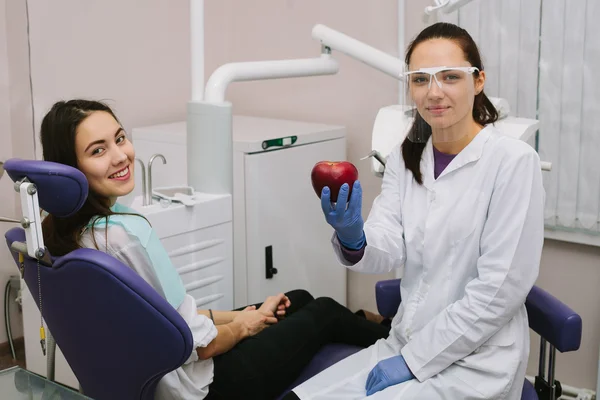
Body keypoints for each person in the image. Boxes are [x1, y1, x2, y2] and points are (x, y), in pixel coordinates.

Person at [38, 99, 391, 400]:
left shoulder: (64, 230)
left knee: (296, 298)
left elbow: (169, 317)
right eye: (98, 150)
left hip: (164, 364)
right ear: (70, 168)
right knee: (326, 310)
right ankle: (402, 341)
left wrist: (243, 316)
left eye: (119, 139)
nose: (120, 156)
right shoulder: (121, 236)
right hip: (203, 388)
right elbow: (198, 345)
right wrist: (246, 326)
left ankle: (371, 328)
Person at [286, 22, 545, 400]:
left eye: (450, 77)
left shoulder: (513, 163)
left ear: (478, 81)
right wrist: (354, 236)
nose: (434, 92)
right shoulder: (405, 159)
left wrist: (414, 361)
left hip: (476, 362)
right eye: (421, 79)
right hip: (405, 341)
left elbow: (498, 293)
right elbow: (388, 246)